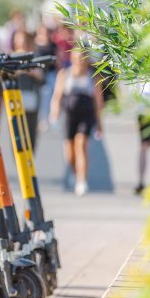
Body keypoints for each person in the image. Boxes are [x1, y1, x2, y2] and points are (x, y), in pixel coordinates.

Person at [49, 49, 104, 196]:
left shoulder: (93, 76)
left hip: (86, 115)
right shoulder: (64, 74)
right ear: (72, 58)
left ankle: (82, 180)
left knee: (81, 143)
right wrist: (54, 113)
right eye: (77, 57)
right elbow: (57, 96)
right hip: (70, 116)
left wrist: (100, 124)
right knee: (69, 152)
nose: (80, 61)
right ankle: (75, 172)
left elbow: (98, 102)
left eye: (83, 58)